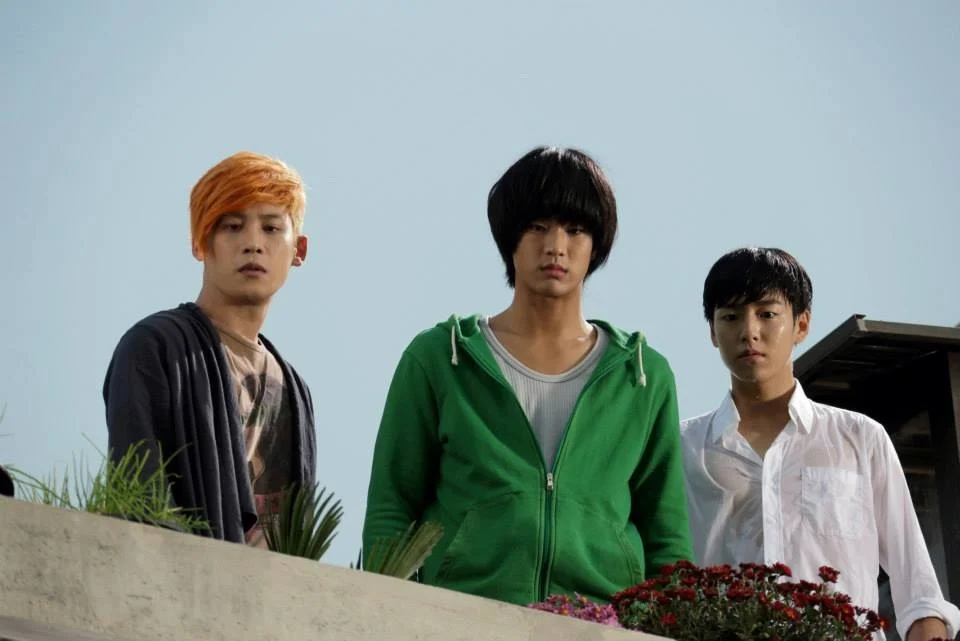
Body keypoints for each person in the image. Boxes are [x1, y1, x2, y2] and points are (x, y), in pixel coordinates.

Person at [362, 146, 692, 606]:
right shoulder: (440, 358)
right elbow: (392, 505)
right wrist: (386, 615)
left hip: (601, 622)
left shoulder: (642, 376)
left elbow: (666, 535)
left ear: (596, 244)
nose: (556, 246)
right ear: (509, 237)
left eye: (575, 230)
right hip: (462, 615)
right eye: (537, 227)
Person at [681, 247, 960, 641]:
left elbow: (919, 593)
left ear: (801, 324)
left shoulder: (860, 438)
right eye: (730, 316)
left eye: (767, 314)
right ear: (712, 331)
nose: (749, 331)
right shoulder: (681, 448)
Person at [103, 151, 316, 546]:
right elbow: (139, 494)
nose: (253, 244)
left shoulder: (294, 388)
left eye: (271, 228)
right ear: (201, 243)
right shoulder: (157, 346)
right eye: (232, 227)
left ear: (299, 250)